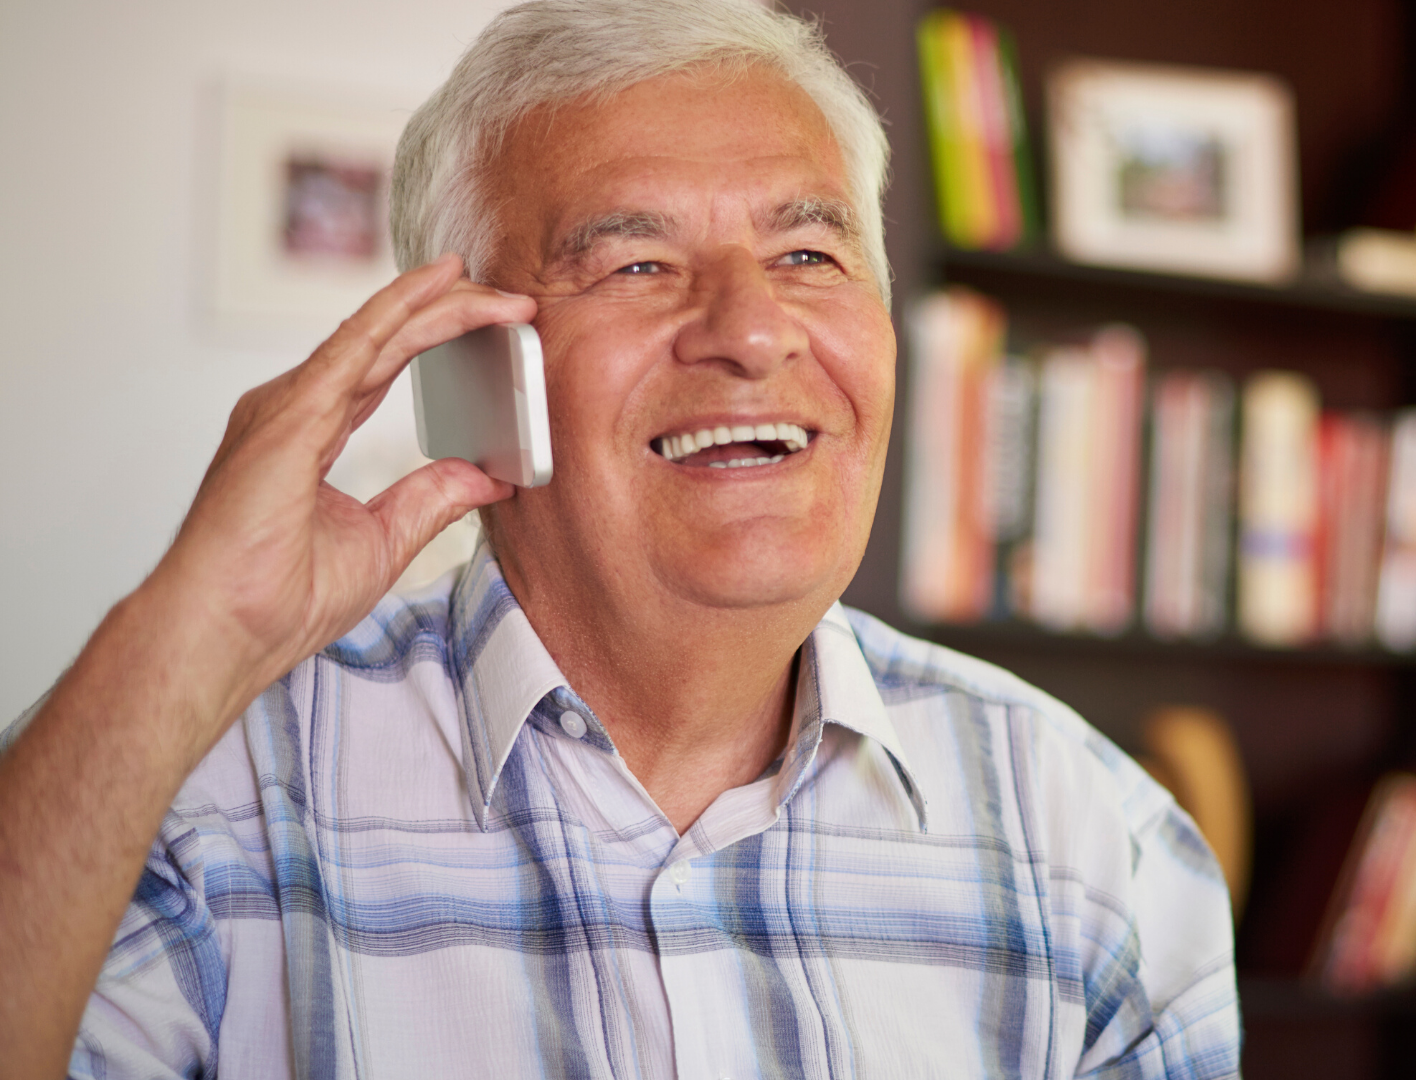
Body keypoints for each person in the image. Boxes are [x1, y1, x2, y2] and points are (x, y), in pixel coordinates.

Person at [0, 1, 1240, 1076]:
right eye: (638, 265)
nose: (752, 332)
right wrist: (189, 636)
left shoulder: (1097, 843)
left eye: (809, 253)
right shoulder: (196, 799)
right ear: (468, 364)